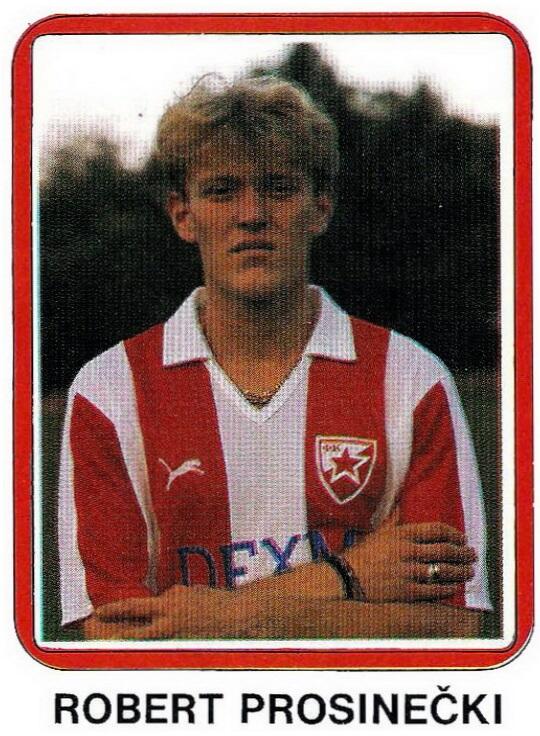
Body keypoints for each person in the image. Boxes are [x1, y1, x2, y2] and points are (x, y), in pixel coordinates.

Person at [58, 76, 491, 640]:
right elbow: (114, 637)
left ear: (320, 209)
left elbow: (455, 629)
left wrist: (224, 616)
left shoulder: (410, 379)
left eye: (279, 189)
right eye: (222, 191)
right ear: (183, 215)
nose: (252, 214)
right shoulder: (109, 390)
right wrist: (346, 576)